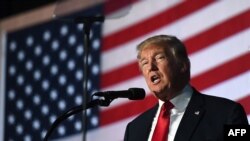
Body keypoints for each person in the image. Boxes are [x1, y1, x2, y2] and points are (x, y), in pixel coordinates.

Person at [123, 35, 248, 141]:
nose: (151, 67)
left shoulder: (227, 113)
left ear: (182, 65)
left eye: (159, 58)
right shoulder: (134, 130)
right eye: (144, 63)